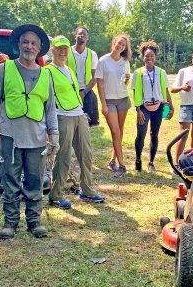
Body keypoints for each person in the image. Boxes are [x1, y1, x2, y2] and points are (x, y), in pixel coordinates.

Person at [0, 24, 59, 240]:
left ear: (39, 48)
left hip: (36, 138)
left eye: (33, 42)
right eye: (25, 41)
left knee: (35, 181)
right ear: (18, 44)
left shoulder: (46, 75)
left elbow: (51, 109)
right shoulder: (4, 70)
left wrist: (54, 137)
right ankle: (10, 222)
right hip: (11, 137)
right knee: (11, 181)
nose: (29, 45)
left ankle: (34, 221)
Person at [45, 36, 105, 209]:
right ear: (53, 50)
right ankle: (56, 195)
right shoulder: (47, 71)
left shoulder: (69, 70)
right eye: (59, 48)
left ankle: (87, 190)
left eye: (65, 48)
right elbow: (45, 98)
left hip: (79, 114)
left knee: (86, 154)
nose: (63, 52)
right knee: (63, 156)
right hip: (62, 115)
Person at [131, 40, 174, 172]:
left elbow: (165, 91)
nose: (149, 58)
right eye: (146, 56)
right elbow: (135, 92)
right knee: (141, 135)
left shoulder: (161, 72)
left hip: (158, 107)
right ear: (143, 57)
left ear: (155, 57)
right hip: (144, 108)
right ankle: (138, 160)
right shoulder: (138, 73)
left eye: (152, 56)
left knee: (154, 134)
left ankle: (151, 162)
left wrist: (170, 106)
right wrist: (138, 110)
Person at [95, 33, 132, 177]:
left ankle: (112, 160)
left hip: (123, 99)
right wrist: (103, 104)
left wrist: (127, 79)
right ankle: (122, 165)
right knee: (115, 132)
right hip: (109, 101)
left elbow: (124, 82)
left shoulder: (125, 62)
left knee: (119, 132)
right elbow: (100, 83)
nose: (120, 46)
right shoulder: (103, 60)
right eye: (119, 43)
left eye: (123, 45)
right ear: (114, 42)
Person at [67, 26, 100, 126]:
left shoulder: (92, 54)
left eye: (84, 34)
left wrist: (84, 92)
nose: (82, 36)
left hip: (86, 91)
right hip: (70, 91)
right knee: (71, 121)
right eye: (79, 33)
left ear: (87, 38)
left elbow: (95, 77)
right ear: (75, 36)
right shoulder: (67, 52)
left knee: (87, 123)